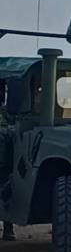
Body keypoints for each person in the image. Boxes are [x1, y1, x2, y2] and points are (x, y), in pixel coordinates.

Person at [0, 80, 16, 241]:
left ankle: (8, 227)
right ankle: (8, 228)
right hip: (6, 160)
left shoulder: (8, 111)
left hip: (6, 161)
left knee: (7, 191)